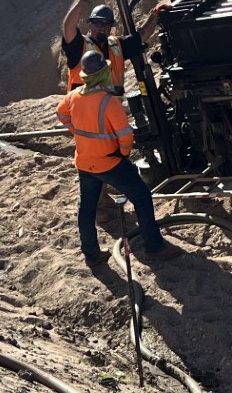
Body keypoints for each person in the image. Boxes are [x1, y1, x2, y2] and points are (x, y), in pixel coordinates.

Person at [55, 49, 181, 268]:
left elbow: (60, 113)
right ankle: (154, 247)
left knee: (87, 209)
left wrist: (75, 131)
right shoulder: (108, 102)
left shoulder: (74, 96)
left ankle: (92, 255)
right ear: (103, 74)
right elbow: (125, 136)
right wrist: (122, 154)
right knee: (141, 197)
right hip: (109, 162)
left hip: (85, 163)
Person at [60, 0, 167, 90]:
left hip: (111, 100)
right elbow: (68, 28)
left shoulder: (116, 46)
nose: (103, 27)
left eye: (107, 24)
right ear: (90, 24)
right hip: (84, 101)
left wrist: (155, 13)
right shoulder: (79, 46)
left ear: (111, 27)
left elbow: (142, 35)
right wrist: (82, 2)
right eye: (98, 23)